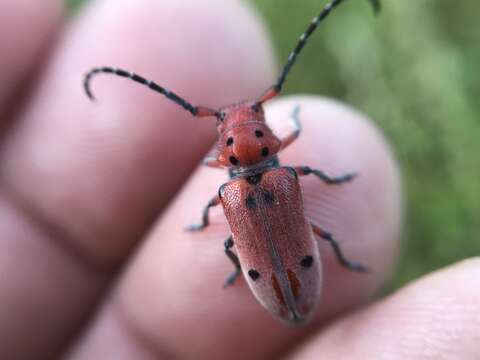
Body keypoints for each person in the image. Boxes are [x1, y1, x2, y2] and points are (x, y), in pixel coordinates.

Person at [0, 0, 478, 359]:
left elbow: (220, 204)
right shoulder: (286, 175)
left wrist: (206, 219)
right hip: (281, 272)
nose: (237, 120)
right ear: (268, 138)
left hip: (275, 269)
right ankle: (322, 258)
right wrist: (329, 178)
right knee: (322, 231)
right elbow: (306, 170)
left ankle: (248, 264)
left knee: (269, 234)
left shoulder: (227, 190)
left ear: (227, 148)